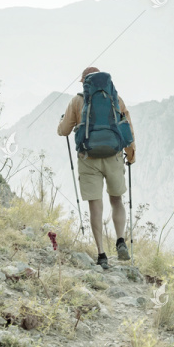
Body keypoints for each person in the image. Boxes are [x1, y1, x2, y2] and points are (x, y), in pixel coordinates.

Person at [57, 66, 136, 270]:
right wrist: (131, 154)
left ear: (84, 82)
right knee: (116, 199)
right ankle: (120, 240)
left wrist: (62, 122)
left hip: (88, 158)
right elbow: (126, 127)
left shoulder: (76, 101)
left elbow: (63, 131)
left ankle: (102, 254)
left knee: (95, 204)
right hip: (114, 156)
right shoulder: (115, 98)